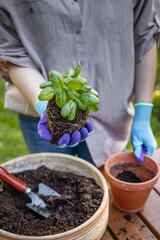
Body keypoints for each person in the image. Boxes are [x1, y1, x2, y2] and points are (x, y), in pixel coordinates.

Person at [0, 0, 160, 172]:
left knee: (101, 187)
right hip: (33, 108)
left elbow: (146, 35)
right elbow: (11, 50)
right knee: (51, 180)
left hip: (113, 113)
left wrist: (143, 113)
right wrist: (44, 106)